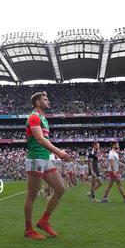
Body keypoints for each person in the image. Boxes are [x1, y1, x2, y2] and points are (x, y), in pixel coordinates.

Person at [24, 92, 72, 240]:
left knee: (60, 188)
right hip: (35, 159)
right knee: (32, 196)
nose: (48, 101)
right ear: (37, 102)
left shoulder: (43, 119)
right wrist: (58, 151)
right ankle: (28, 230)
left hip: (44, 158)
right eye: (45, 99)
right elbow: (39, 139)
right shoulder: (34, 117)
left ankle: (44, 221)